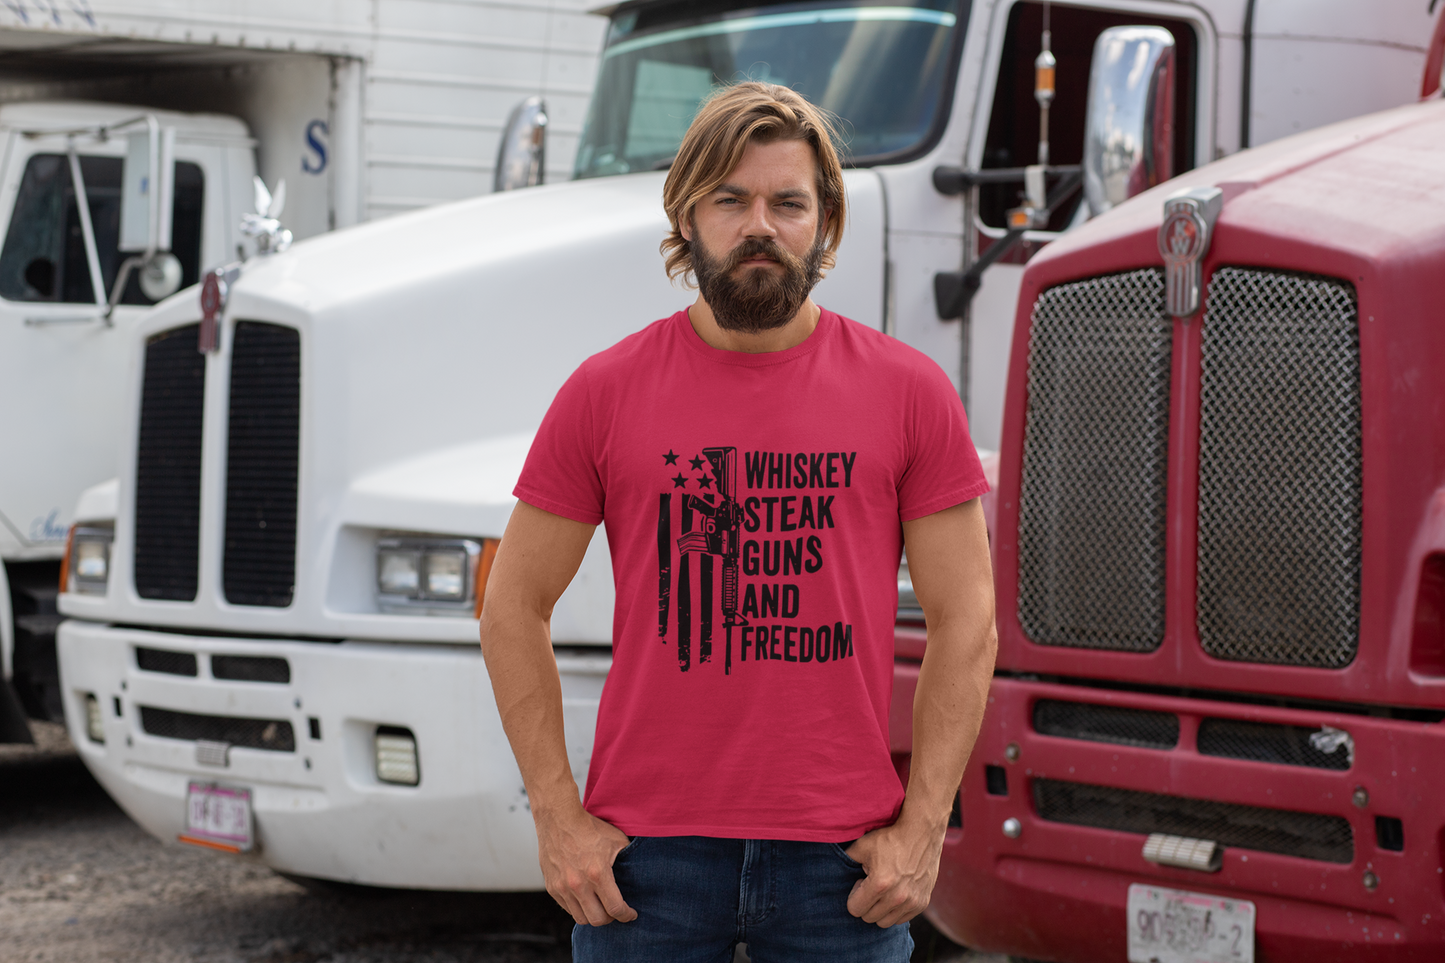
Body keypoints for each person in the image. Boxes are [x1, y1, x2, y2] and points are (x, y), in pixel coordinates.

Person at [478, 81, 997, 962]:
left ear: (824, 224)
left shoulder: (908, 392)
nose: (759, 224)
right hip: (644, 863)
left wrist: (922, 827)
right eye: (730, 200)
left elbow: (967, 619)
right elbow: (511, 605)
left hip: (844, 863)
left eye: (787, 202)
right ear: (685, 216)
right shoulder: (603, 391)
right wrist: (557, 816)